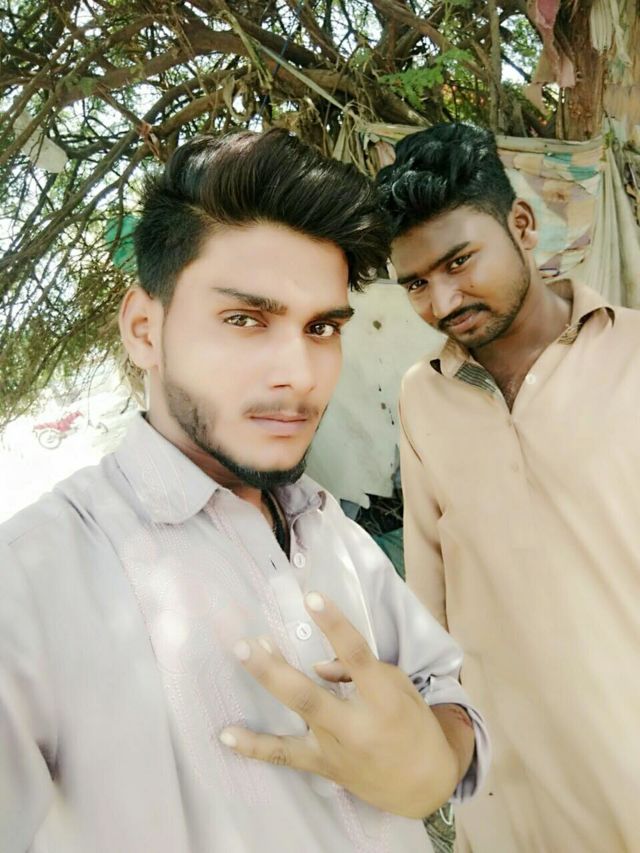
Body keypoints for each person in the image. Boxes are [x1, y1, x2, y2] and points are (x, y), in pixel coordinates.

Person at [0, 129, 489, 853]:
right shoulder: (30, 582)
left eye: (321, 327)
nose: (300, 373)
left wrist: (432, 762)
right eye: (244, 320)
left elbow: (441, 687)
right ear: (144, 329)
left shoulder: (328, 526)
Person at [375, 122, 640, 852]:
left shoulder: (633, 353)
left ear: (522, 224)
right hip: (513, 798)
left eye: (459, 261)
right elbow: (429, 599)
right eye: (416, 283)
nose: (442, 300)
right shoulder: (423, 396)